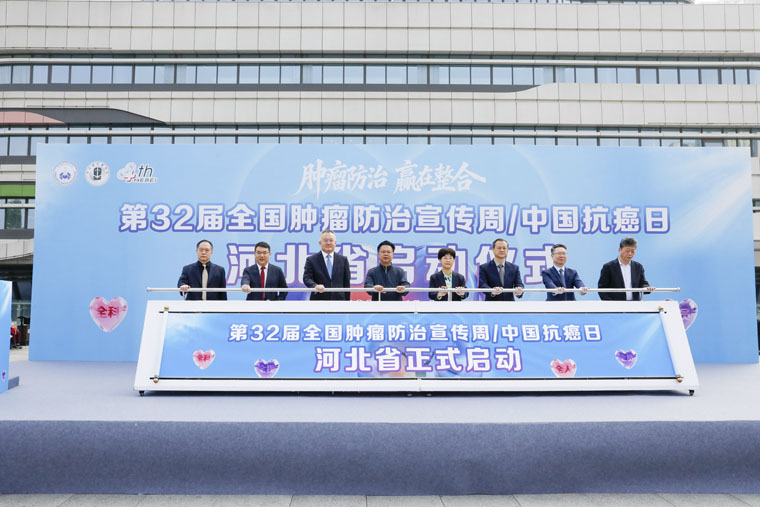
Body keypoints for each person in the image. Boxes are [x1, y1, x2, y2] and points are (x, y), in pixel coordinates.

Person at [303, 229, 352, 301]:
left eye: (331, 240)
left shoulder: (343, 260)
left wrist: (347, 302)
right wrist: (315, 286)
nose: (328, 243)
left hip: (339, 300)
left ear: (335, 243)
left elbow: (346, 283)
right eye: (325, 240)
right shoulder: (311, 260)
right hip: (319, 299)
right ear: (320, 243)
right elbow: (307, 278)